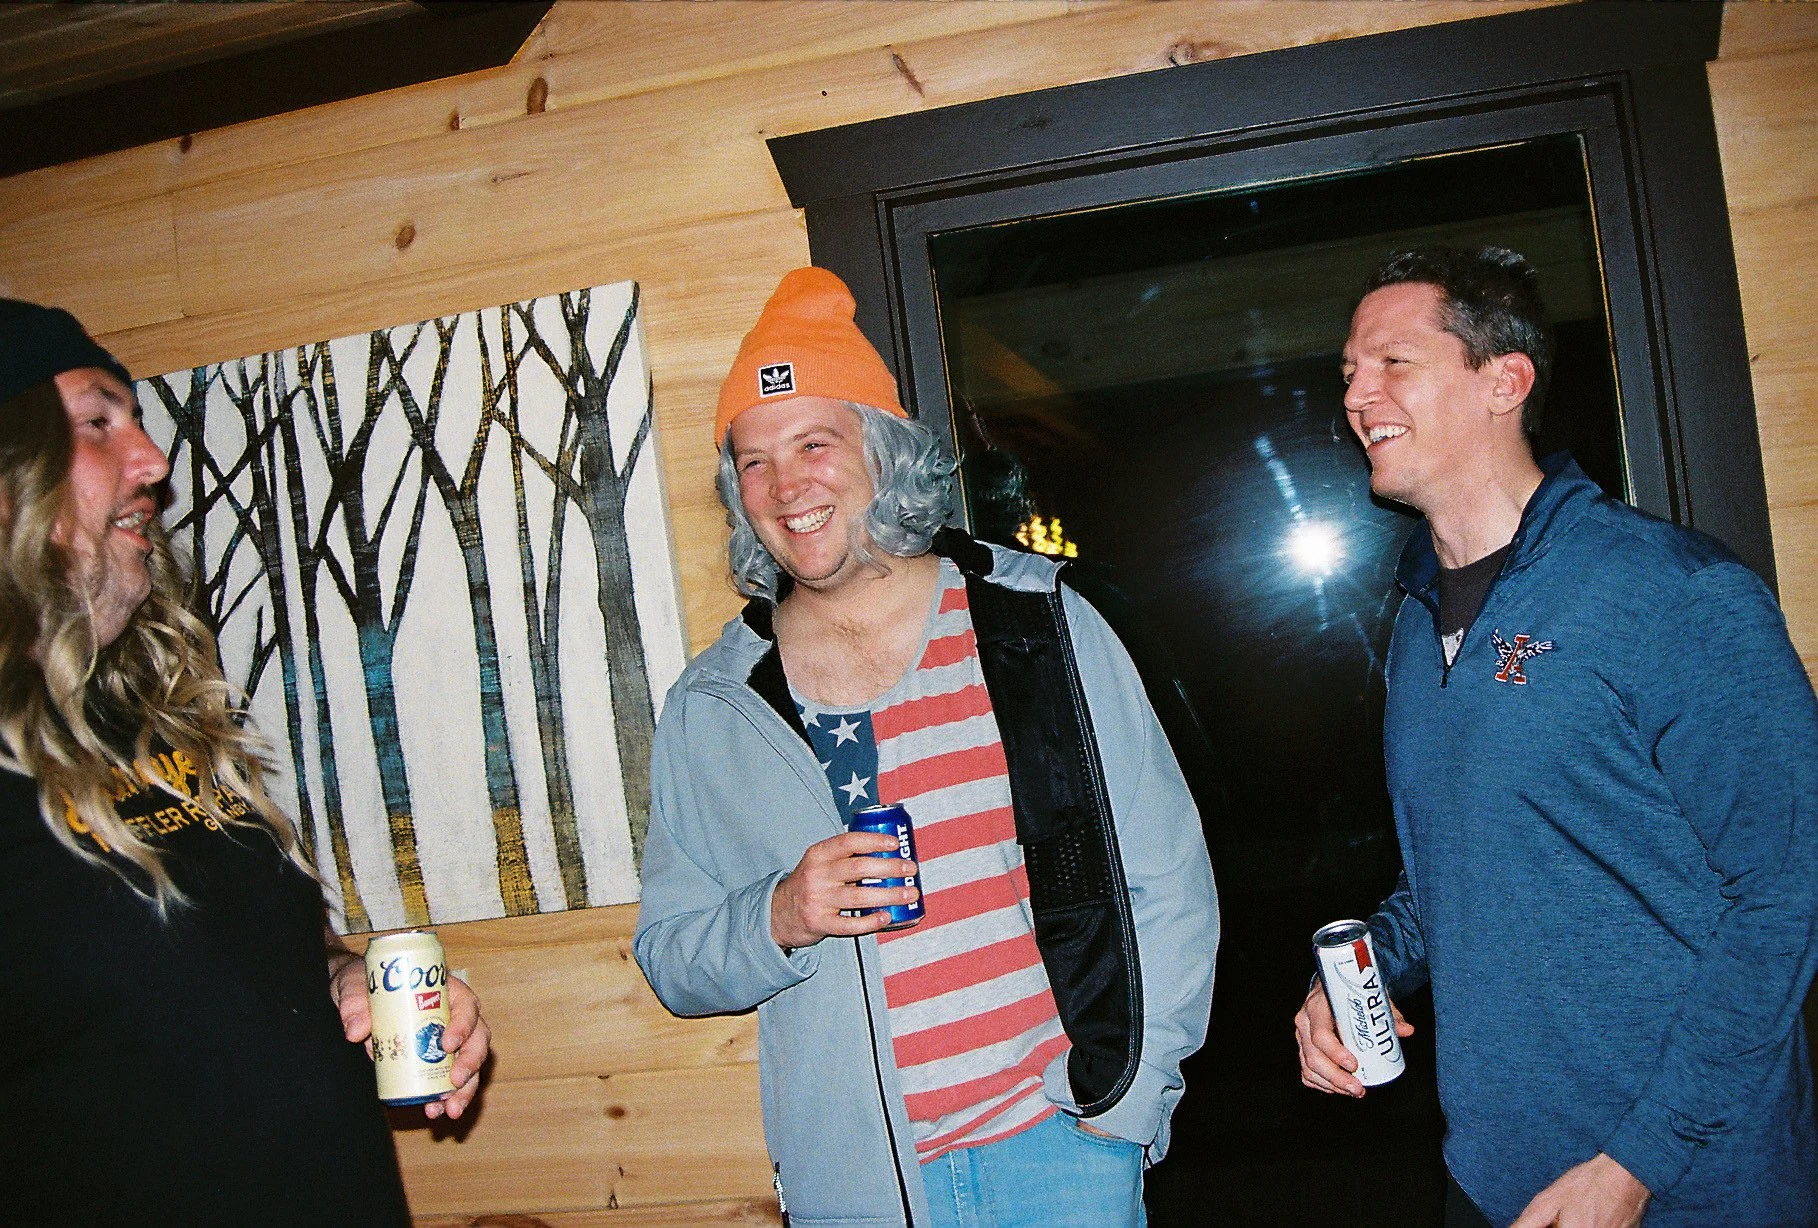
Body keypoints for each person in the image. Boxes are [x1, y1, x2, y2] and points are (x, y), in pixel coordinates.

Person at [634, 267, 1218, 1226]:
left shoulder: (1038, 627)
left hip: (1061, 1151)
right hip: (857, 1187)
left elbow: (1166, 876)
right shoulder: (715, 705)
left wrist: (1128, 1100)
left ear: (881, 450)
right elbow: (671, 956)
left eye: (815, 443)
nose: (787, 486)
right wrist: (780, 914)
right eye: (753, 461)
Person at [1293, 248, 1818, 1228]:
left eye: (1393, 362)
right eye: (1349, 373)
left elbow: (1787, 894)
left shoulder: (1670, 593)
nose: (1358, 394)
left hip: (1684, 1189)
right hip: (1492, 1177)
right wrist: (1361, 965)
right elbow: (1454, 872)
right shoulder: (1415, 620)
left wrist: (1633, 1163)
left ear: (1505, 379)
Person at [0, 298, 492, 1225]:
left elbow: (248, 957)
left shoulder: (148, 723)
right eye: (99, 421)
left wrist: (343, 979)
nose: (153, 462)